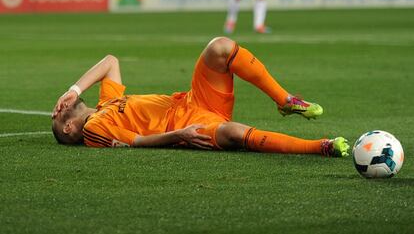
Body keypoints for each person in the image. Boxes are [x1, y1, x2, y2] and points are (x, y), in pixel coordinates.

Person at [51, 37, 349, 157]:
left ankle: (283, 99)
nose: (60, 107)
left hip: (194, 100)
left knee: (219, 47)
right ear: (68, 128)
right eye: (59, 113)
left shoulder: (106, 104)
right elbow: (138, 142)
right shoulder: (94, 130)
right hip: (187, 126)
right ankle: (319, 147)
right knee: (233, 132)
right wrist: (180, 134)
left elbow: (110, 61)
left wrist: (74, 90)